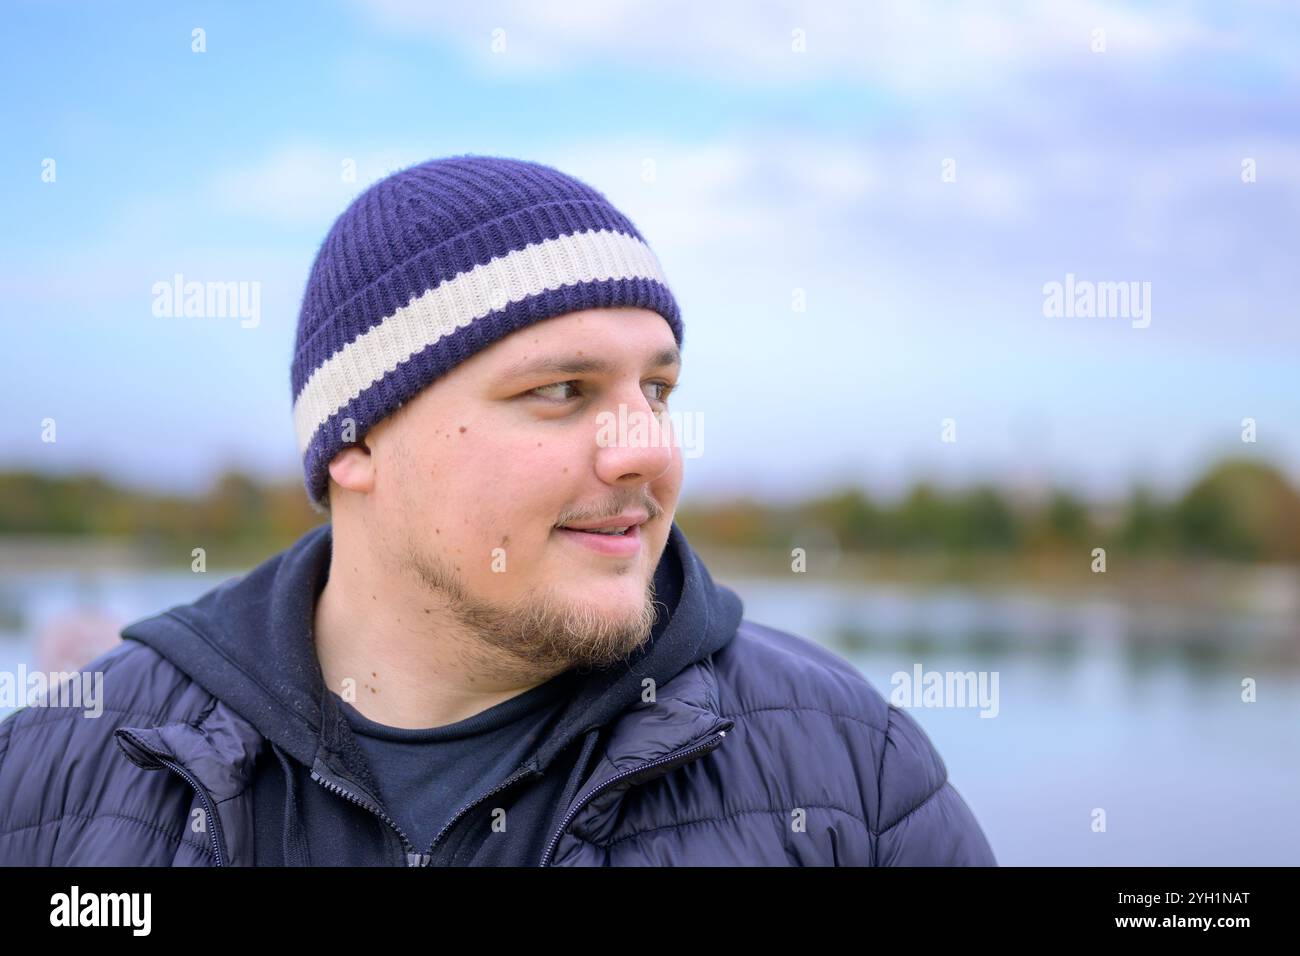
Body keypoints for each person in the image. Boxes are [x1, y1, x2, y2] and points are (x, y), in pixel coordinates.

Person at [0, 155, 996, 866]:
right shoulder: (67, 766)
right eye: (560, 390)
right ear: (355, 440)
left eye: (656, 390)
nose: (648, 446)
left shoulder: (848, 766)